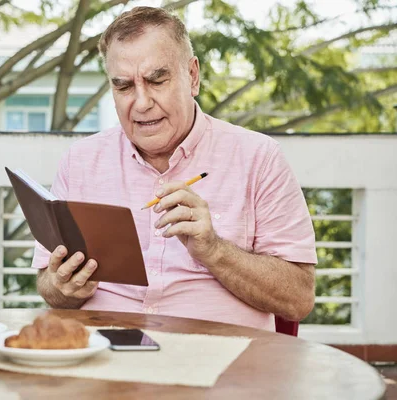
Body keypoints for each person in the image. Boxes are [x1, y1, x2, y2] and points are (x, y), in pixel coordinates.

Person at [30, 6, 317, 331]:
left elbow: (299, 299)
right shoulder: (81, 160)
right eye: (123, 86)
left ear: (192, 76)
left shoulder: (258, 157)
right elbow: (49, 285)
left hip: (223, 362)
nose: (140, 103)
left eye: (157, 80)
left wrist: (213, 250)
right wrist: (63, 288)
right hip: (106, 353)